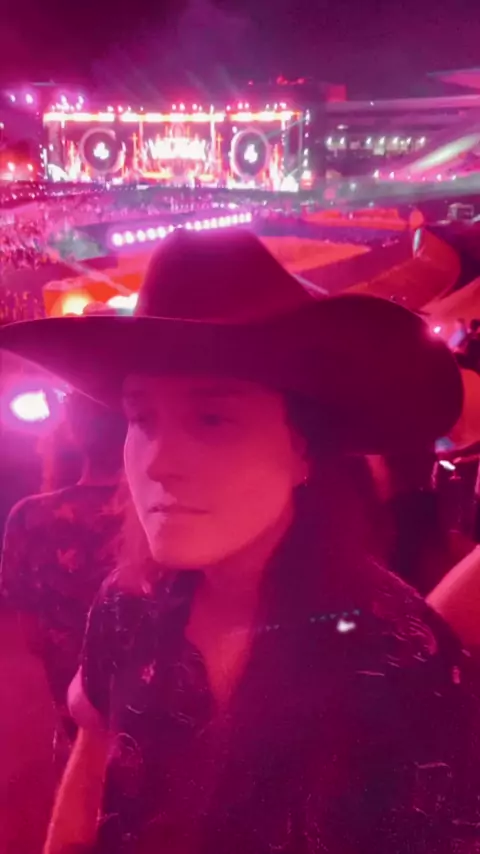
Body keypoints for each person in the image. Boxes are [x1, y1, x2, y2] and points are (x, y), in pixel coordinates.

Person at [1, 229, 479, 854]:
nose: (158, 462)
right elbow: (92, 760)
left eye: (212, 418)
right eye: (142, 418)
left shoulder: (404, 663)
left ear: (302, 447)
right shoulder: (126, 606)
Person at [0, 391, 126, 745]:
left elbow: (33, 638)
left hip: (73, 703)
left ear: (73, 430)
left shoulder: (29, 517)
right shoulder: (161, 516)